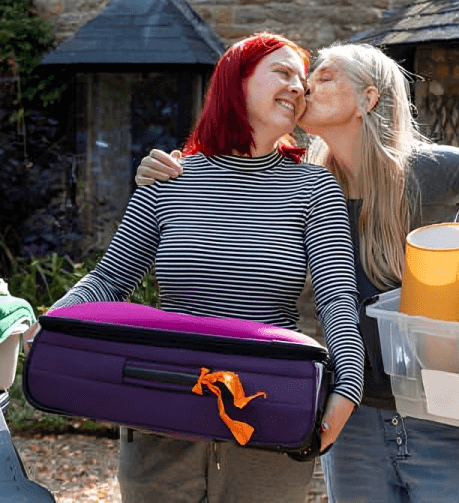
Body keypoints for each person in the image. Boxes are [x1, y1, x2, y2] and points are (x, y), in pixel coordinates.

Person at [136, 42, 459, 502]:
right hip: (352, 417)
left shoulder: (432, 170)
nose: (304, 87)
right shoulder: (302, 188)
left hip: (442, 408)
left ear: (368, 99)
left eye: (323, 76)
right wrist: (169, 174)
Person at [26, 33, 365, 503]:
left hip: (265, 414)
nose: (298, 88)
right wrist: (50, 326)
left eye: (302, 81)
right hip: (163, 406)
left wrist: (348, 382)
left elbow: (336, 298)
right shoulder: (170, 178)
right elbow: (109, 279)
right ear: (236, 81)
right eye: (283, 73)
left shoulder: (314, 187)